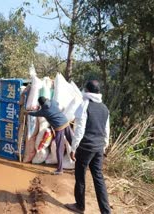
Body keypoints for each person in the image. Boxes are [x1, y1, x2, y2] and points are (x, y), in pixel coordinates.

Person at [65, 80, 111, 214]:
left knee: (80, 176)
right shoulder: (104, 108)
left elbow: (80, 129)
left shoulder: (84, 105)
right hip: (98, 148)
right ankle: (106, 211)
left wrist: (74, 148)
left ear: (87, 91)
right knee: (99, 179)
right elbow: (106, 129)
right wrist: (104, 146)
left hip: (86, 148)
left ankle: (80, 206)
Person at [27, 96, 73, 175]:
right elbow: (57, 103)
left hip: (59, 127)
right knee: (72, 141)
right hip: (66, 122)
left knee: (59, 148)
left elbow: (35, 114)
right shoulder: (52, 102)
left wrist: (27, 112)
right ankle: (82, 159)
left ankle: (60, 169)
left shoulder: (44, 111)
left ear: (41, 104)